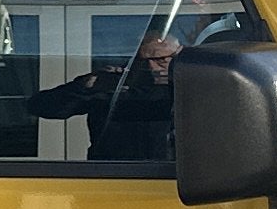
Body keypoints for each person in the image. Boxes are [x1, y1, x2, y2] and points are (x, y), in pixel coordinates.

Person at [32, 27, 179, 163]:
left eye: (161, 60)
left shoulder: (189, 89)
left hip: (173, 175)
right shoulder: (112, 86)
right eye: (143, 62)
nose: (152, 68)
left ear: (178, 58)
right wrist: (85, 86)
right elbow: (42, 106)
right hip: (111, 173)